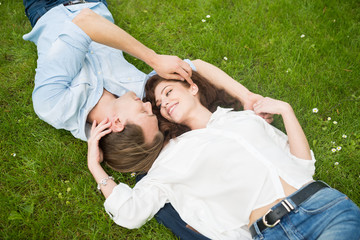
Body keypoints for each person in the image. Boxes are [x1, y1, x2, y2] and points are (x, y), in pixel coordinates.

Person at [23, 1, 269, 239]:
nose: (149, 104)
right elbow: (195, 67)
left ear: (117, 124)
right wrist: (246, 97)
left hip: (49, 5)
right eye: (149, 110)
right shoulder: (142, 93)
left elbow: (84, 21)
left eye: (144, 112)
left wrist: (94, 167)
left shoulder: (53, 104)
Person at [88, 72, 360, 239]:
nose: (164, 103)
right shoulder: (170, 158)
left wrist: (287, 111)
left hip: (323, 208)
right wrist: (95, 165)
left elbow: (303, 166)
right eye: (159, 105)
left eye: (169, 92)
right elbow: (130, 211)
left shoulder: (246, 120)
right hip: (270, 233)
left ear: (192, 87)